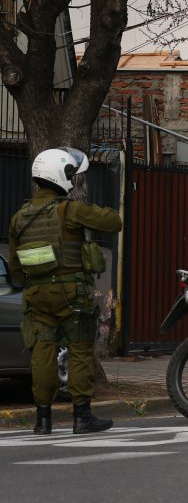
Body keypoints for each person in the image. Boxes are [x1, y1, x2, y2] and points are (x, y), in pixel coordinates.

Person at [7, 148, 123, 435]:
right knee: (80, 350)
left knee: (42, 353)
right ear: (61, 176)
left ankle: (42, 419)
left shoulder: (19, 217)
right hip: (72, 293)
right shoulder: (68, 210)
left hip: (36, 295)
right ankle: (81, 416)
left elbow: (15, 266)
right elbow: (113, 222)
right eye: (71, 174)